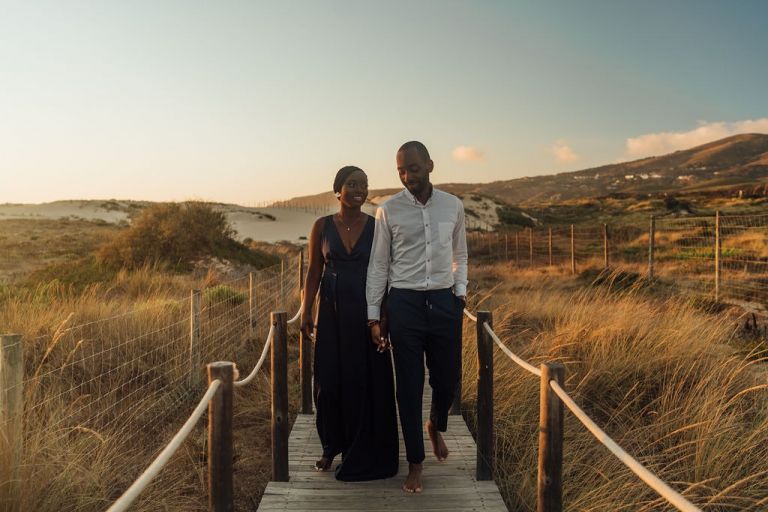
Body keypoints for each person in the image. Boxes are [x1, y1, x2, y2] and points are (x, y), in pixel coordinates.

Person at [366, 141, 468, 493]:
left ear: (430, 165)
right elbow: (379, 264)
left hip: (443, 302)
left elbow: (461, 255)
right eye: (401, 170)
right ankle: (416, 463)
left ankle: (435, 423)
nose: (408, 175)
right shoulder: (388, 210)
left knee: (447, 379)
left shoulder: (453, 206)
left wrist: (460, 292)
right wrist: (373, 316)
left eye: (413, 168)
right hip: (404, 303)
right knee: (408, 388)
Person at [300, 165, 399, 481]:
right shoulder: (322, 226)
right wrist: (306, 313)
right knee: (328, 382)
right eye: (353, 184)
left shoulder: (376, 226)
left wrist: (382, 318)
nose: (360, 189)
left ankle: (361, 449)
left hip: (365, 313)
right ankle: (330, 447)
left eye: (364, 185)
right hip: (330, 313)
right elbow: (314, 271)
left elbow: (384, 274)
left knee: (363, 381)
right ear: (338, 190)